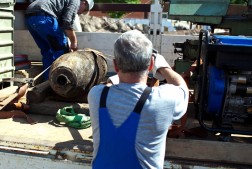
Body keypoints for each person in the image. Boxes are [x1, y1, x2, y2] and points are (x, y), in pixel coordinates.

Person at [88, 30, 189, 169]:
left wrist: (116, 78)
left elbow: (109, 87)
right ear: (151, 64)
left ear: (116, 65)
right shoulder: (163, 100)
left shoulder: (96, 96)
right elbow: (183, 89)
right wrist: (164, 67)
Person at [25, 0, 94, 79]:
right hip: (44, 16)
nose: (80, 13)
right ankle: (62, 81)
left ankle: (48, 81)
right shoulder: (75, 1)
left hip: (29, 17)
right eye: (84, 10)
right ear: (84, 2)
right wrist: (73, 42)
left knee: (47, 51)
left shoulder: (62, 2)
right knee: (62, 52)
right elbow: (67, 22)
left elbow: (62, 24)